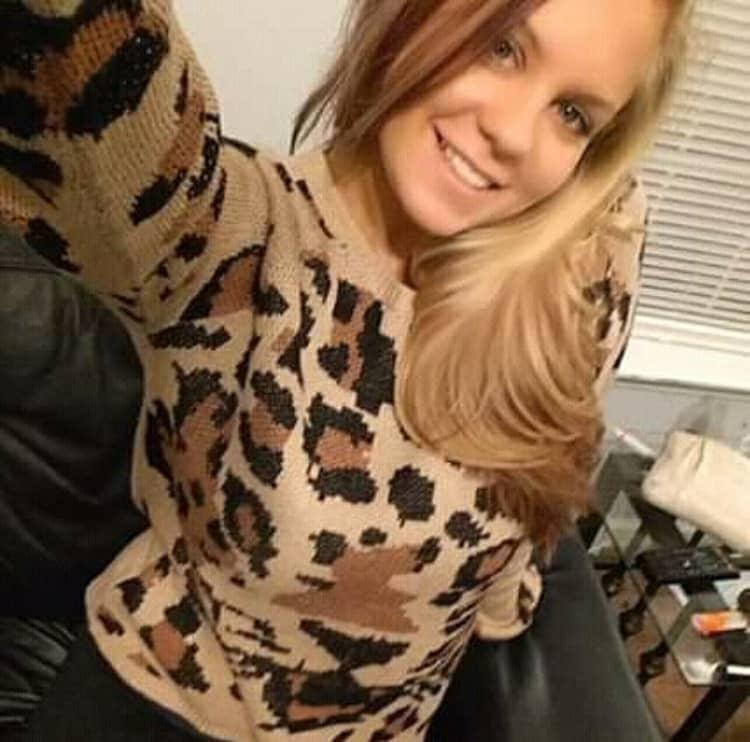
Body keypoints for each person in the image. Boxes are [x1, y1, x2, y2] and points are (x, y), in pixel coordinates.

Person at [0, 0, 692, 739]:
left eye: (573, 114)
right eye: (500, 46)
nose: (515, 134)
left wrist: (500, 605)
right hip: (155, 707)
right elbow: (70, 56)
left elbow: (549, 467)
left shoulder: (594, 244)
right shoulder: (226, 236)